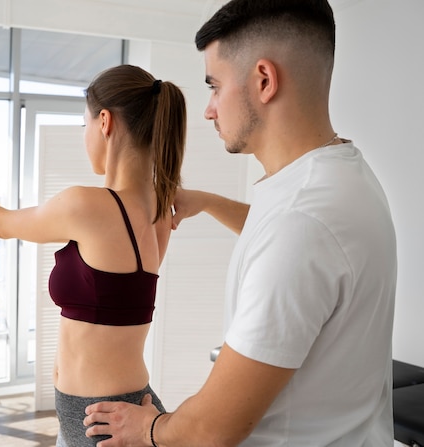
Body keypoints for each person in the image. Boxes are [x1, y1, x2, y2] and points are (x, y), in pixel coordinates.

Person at [82, 1, 397, 446]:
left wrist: (148, 428)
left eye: (215, 86)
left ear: (264, 81)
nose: (209, 109)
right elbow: (282, 236)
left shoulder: (301, 222)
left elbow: (212, 429)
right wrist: (208, 202)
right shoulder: (342, 177)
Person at [0, 64, 187, 447]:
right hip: (105, 413)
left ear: (105, 122)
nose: (85, 136)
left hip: (102, 422)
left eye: (85, 125)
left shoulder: (88, 204)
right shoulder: (159, 209)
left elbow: (1, 224)